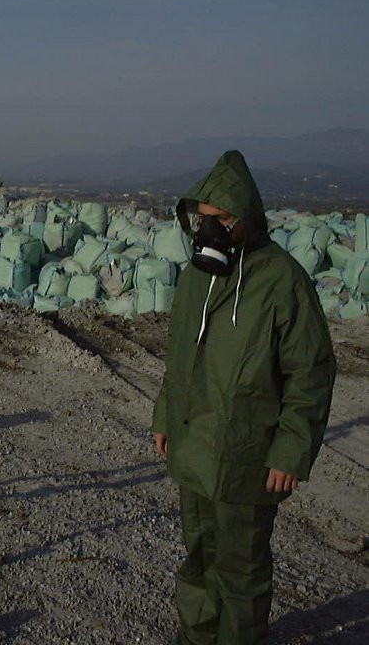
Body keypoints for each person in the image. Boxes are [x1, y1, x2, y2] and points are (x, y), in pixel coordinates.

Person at [151, 150, 336, 645]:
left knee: (240, 572)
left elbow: (310, 373)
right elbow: (179, 357)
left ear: (245, 218)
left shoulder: (281, 280)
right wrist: (166, 416)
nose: (210, 228)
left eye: (221, 218)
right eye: (203, 218)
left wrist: (292, 450)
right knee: (199, 560)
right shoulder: (196, 278)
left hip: (247, 456)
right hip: (196, 449)